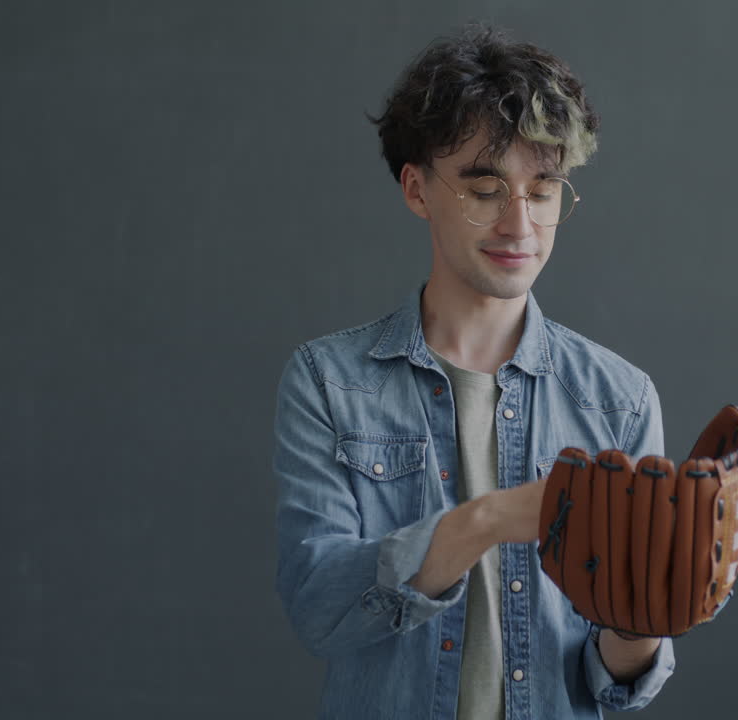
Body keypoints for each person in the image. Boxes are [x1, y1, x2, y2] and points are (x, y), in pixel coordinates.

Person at [272, 23, 674, 719]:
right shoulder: (328, 382)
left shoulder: (621, 400)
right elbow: (319, 605)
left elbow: (611, 681)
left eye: (543, 191)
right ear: (417, 189)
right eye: (485, 190)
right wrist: (488, 519)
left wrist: (643, 616)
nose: (519, 226)